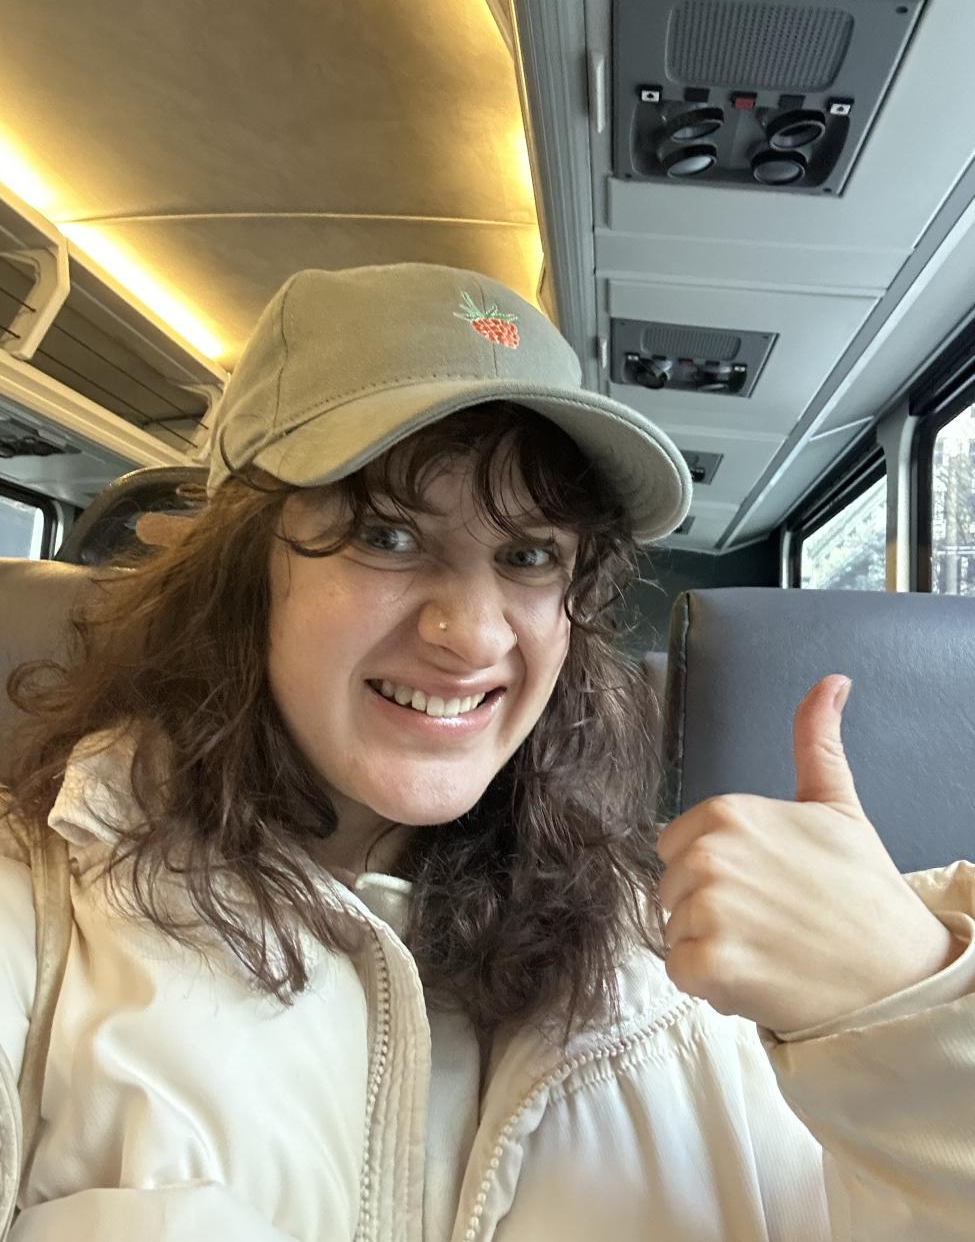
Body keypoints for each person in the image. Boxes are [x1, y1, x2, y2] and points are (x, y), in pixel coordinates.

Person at [0, 262, 972, 1242]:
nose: (471, 634)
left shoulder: (690, 978)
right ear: (243, 571)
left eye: (528, 555)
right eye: (387, 534)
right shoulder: (38, 916)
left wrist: (906, 1013)